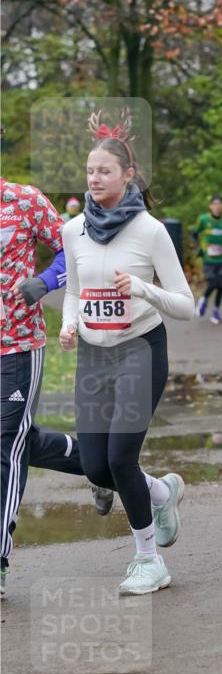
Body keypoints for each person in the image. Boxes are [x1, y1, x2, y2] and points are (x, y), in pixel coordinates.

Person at [59, 109, 195, 594]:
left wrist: (143, 288)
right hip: (93, 355)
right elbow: (73, 290)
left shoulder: (150, 231)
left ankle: (148, 560)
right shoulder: (72, 229)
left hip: (140, 348)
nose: (95, 179)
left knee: (120, 459)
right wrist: (69, 324)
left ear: (128, 175)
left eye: (105, 171)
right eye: (90, 171)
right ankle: (161, 491)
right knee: (94, 465)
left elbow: (186, 305)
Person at [1, 177, 112, 598]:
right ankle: (107, 467)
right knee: (18, 443)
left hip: (15, 347)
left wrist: (45, 282)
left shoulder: (23, 201)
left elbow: (76, 249)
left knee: (4, 445)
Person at [193, 195, 222, 325]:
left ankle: (215, 312)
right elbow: (194, 233)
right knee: (213, 283)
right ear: (210, 206)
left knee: (221, 286)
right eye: (214, 204)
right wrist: (198, 247)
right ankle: (203, 300)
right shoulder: (203, 219)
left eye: (219, 204)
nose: (217, 206)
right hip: (208, 258)